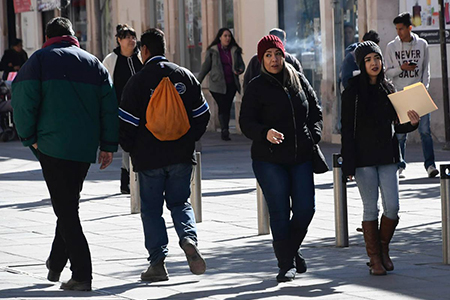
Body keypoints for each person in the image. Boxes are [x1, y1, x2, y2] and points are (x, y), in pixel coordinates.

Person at [11, 17, 118, 291]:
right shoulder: (93, 63)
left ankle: (82, 273)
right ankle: (56, 263)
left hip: (51, 147)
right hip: (83, 149)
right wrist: (107, 145)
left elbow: (21, 101)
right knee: (69, 203)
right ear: (72, 36)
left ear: (48, 36)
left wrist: (29, 138)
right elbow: (109, 106)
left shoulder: (38, 61)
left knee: (66, 209)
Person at [119, 28, 210, 282]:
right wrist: (187, 138)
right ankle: (189, 238)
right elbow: (203, 115)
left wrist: (132, 149)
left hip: (149, 159)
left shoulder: (136, 82)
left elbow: (126, 125)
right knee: (181, 202)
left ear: (144, 51)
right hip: (181, 155)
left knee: (151, 209)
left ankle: (158, 263)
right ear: (165, 48)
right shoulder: (185, 76)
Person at [239, 35, 322, 282]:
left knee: (306, 209)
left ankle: (290, 250)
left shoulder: (298, 78)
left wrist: (314, 134)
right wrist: (265, 132)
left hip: (301, 156)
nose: (274, 59)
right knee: (279, 212)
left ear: (283, 55)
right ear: (261, 58)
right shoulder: (255, 86)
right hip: (269, 159)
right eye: (268, 55)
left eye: (277, 54)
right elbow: (245, 122)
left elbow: (315, 110)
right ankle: (286, 264)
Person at [341, 41, 419, 276]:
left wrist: (412, 123)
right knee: (370, 208)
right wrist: (349, 163)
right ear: (361, 64)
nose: (374, 63)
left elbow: (398, 125)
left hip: (388, 155)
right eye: (368, 60)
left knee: (393, 207)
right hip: (363, 159)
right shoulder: (352, 91)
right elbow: (347, 129)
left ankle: (383, 248)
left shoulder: (389, 88)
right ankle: (374, 257)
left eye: (377, 58)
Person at [385, 12, 438, 178]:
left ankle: (430, 165)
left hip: (418, 93)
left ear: (410, 28)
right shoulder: (391, 47)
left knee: (425, 131)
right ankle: (400, 165)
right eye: (396, 29)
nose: (399, 32)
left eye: (401, 29)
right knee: (401, 134)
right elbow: (387, 73)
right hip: (400, 95)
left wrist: (424, 89)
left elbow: (425, 71)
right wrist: (402, 68)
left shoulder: (422, 44)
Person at [103, 24, 143, 194]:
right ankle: (126, 179)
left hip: (141, 110)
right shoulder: (111, 60)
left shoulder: (140, 58)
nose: (131, 40)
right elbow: (105, 86)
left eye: (133, 37)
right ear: (119, 40)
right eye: (127, 37)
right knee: (128, 145)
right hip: (121, 111)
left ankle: (131, 179)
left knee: (136, 145)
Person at [197, 28, 245, 141]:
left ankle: (225, 128)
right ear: (220, 37)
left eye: (229, 36)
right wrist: (197, 82)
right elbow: (205, 67)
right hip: (217, 85)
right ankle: (225, 130)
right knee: (223, 106)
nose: (227, 38)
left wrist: (239, 70)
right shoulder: (213, 51)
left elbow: (242, 65)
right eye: (225, 36)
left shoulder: (235, 50)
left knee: (227, 107)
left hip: (231, 84)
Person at [243, 28, 303, 92]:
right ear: (284, 42)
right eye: (268, 55)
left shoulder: (292, 61)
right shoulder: (255, 60)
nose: (274, 59)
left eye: (278, 53)